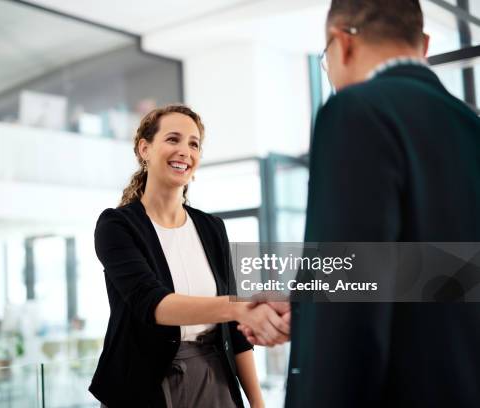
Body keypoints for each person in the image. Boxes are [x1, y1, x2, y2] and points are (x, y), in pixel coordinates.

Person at [277, 1, 480, 407]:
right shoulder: (471, 127)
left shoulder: (355, 110)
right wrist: (302, 305)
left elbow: (350, 297)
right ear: (422, 45)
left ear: (341, 43)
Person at [90, 104, 290, 408]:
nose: (185, 150)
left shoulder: (212, 228)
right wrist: (239, 309)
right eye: (173, 139)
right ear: (145, 148)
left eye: (193, 143)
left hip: (213, 378)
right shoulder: (116, 226)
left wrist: (258, 404)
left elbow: (235, 334)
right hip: (143, 384)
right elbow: (153, 304)